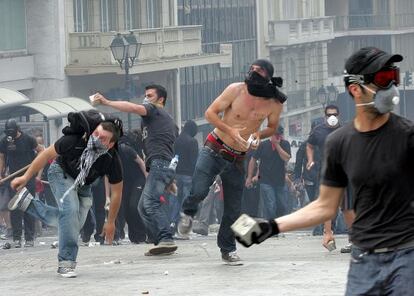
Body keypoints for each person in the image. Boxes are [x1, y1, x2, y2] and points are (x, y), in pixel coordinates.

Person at [235, 47, 414, 295]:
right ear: (355, 88)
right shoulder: (340, 142)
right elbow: (325, 206)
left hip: (406, 257)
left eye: (392, 77)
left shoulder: (407, 136)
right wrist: (270, 227)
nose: (391, 87)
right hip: (364, 262)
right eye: (383, 80)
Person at [178, 59, 286, 264]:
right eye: (251, 68)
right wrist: (230, 130)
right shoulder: (235, 90)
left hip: (238, 158)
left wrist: (257, 135)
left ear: (268, 76)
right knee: (199, 190)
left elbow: (271, 128)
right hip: (214, 147)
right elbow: (210, 113)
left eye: (259, 70)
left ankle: (227, 249)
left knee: (233, 209)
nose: (253, 72)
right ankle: (188, 211)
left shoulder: (274, 103)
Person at [8, 117, 124, 278]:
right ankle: (66, 263)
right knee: (70, 213)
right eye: (96, 133)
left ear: (110, 145)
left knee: (72, 225)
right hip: (60, 172)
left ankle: (28, 203)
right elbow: (45, 154)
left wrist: (110, 222)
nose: (96, 139)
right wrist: (25, 177)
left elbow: (117, 191)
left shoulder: (112, 159)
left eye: (103, 138)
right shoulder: (74, 140)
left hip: (84, 185)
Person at [92, 84, 179, 256]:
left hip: (160, 164)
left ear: (160, 99)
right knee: (142, 207)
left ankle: (166, 238)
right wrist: (169, 177)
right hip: (161, 165)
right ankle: (159, 241)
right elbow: (169, 142)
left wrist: (106, 102)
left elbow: (132, 107)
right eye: (145, 95)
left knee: (149, 204)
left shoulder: (155, 111)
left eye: (150, 96)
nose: (146, 99)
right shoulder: (164, 120)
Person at [306, 105, 355, 251]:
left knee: (347, 205)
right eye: (328, 115)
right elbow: (309, 145)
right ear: (325, 116)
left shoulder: (346, 130)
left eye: (334, 114)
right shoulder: (318, 130)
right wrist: (310, 160)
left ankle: (352, 240)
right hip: (326, 171)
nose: (331, 117)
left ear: (338, 115)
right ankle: (328, 235)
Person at [0, 119, 43, 248]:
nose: (10, 135)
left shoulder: (28, 139)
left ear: (17, 130)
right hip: (13, 179)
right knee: (14, 208)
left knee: (28, 206)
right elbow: (1, 157)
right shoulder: (4, 141)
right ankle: (17, 238)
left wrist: (37, 171)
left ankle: (29, 237)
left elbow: (42, 151)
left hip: (28, 176)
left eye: (12, 132)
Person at [246, 125, 291, 219]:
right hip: (265, 180)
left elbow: (286, 158)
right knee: (270, 204)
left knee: (282, 205)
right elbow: (253, 160)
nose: (277, 137)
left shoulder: (285, 144)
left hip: (280, 180)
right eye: (275, 135)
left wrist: (277, 145)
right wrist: (249, 177)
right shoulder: (263, 145)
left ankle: (278, 224)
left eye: (279, 135)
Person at [170, 120, 199, 233]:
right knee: (186, 202)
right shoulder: (193, 142)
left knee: (175, 201)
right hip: (188, 176)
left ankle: (172, 223)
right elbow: (194, 161)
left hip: (176, 175)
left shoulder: (176, 141)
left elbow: (173, 158)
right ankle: (184, 227)